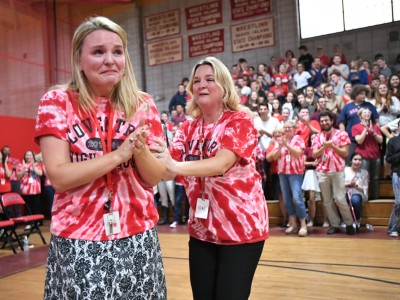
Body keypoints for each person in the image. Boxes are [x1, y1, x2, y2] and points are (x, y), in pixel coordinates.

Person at [34, 16, 167, 299]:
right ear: (79, 59)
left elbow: (154, 177)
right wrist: (119, 154)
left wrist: (139, 149)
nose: (110, 60)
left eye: (117, 52)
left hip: (137, 236)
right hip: (79, 239)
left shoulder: (143, 104)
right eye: (98, 52)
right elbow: (59, 177)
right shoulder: (57, 102)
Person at [152, 56, 268, 299]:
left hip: (240, 231)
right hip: (202, 230)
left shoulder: (240, 120)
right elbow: (166, 169)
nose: (201, 85)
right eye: (196, 81)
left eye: (209, 79)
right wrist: (147, 150)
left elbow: (221, 164)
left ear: (224, 86)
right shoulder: (186, 128)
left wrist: (173, 165)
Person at [312, 111, 356, 235]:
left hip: (338, 171)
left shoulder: (342, 134)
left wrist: (332, 146)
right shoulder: (316, 137)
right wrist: (324, 147)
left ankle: (349, 223)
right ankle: (335, 224)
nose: (324, 123)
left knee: (340, 198)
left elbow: (345, 153)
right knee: (327, 201)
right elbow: (315, 154)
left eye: (326, 120)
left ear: (332, 121)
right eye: (322, 121)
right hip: (322, 171)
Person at [267, 120, 308, 237]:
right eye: (285, 128)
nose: (287, 130)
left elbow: (297, 153)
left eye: (289, 128)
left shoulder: (298, 139)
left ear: (294, 129)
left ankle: (303, 225)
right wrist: (280, 147)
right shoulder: (280, 140)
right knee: (287, 199)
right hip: (282, 173)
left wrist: (286, 145)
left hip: (296, 173)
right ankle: (293, 224)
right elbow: (274, 157)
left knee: (297, 198)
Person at [352, 108, 382, 199]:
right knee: (364, 178)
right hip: (363, 156)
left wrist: (374, 133)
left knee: (376, 178)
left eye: (368, 112)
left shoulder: (375, 127)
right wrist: (365, 129)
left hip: (375, 155)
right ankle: (364, 198)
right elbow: (359, 141)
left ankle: (376, 198)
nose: (367, 114)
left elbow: (380, 140)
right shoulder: (356, 127)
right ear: (360, 115)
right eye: (365, 113)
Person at [344, 152, 369, 229]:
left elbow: (365, 188)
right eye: (355, 159)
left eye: (360, 160)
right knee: (341, 200)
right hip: (345, 192)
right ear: (351, 161)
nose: (357, 162)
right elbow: (339, 184)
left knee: (355, 200)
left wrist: (355, 185)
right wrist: (348, 184)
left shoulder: (364, 172)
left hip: (357, 193)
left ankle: (357, 220)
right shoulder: (344, 170)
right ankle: (344, 220)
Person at [16, 150, 43, 217]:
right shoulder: (20, 165)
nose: (28, 157)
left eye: (30, 155)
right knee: (27, 207)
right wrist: (24, 168)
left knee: (36, 207)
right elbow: (18, 177)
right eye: (27, 155)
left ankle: (37, 222)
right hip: (25, 190)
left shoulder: (37, 164)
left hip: (35, 190)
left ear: (33, 156)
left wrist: (33, 166)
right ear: (25, 157)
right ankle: (29, 223)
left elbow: (40, 173)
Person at [385, 119, 400, 237]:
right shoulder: (393, 141)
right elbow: (388, 159)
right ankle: (392, 227)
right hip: (397, 174)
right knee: (399, 202)